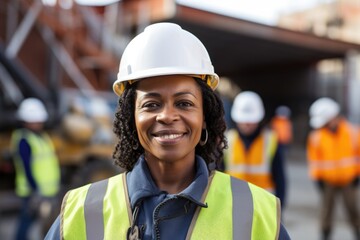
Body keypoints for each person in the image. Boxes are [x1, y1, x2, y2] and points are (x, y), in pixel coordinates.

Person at [45, 22, 290, 239]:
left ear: (204, 117)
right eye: (151, 104)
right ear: (132, 118)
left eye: (184, 103)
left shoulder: (260, 214)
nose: (167, 116)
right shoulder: (80, 212)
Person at [307, 97, 360, 240]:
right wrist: (317, 178)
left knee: (353, 209)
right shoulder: (316, 137)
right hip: (327, 180)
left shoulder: (353, 132)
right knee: (326, 211)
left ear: (333, 117)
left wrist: (357, 175)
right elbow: (314, 160)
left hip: (348, 179)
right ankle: (325, 235)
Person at [224, 91, 287, 209]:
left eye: (251, 119)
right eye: (243, 119)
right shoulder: (227, 140)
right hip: (233, 205)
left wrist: (279, 209)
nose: (247, 123)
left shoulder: (271, 140)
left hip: (263, 206)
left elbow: (280, 178)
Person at [11, 98, 61, 240]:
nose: (39, 123)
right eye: (35, 120)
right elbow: (26, 167)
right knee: (26, 223)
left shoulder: (41, 137)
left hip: (47, 191)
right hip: (33, 193)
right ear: (26, 121)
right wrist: (35, 190)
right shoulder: (24, 139)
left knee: (46, 225)